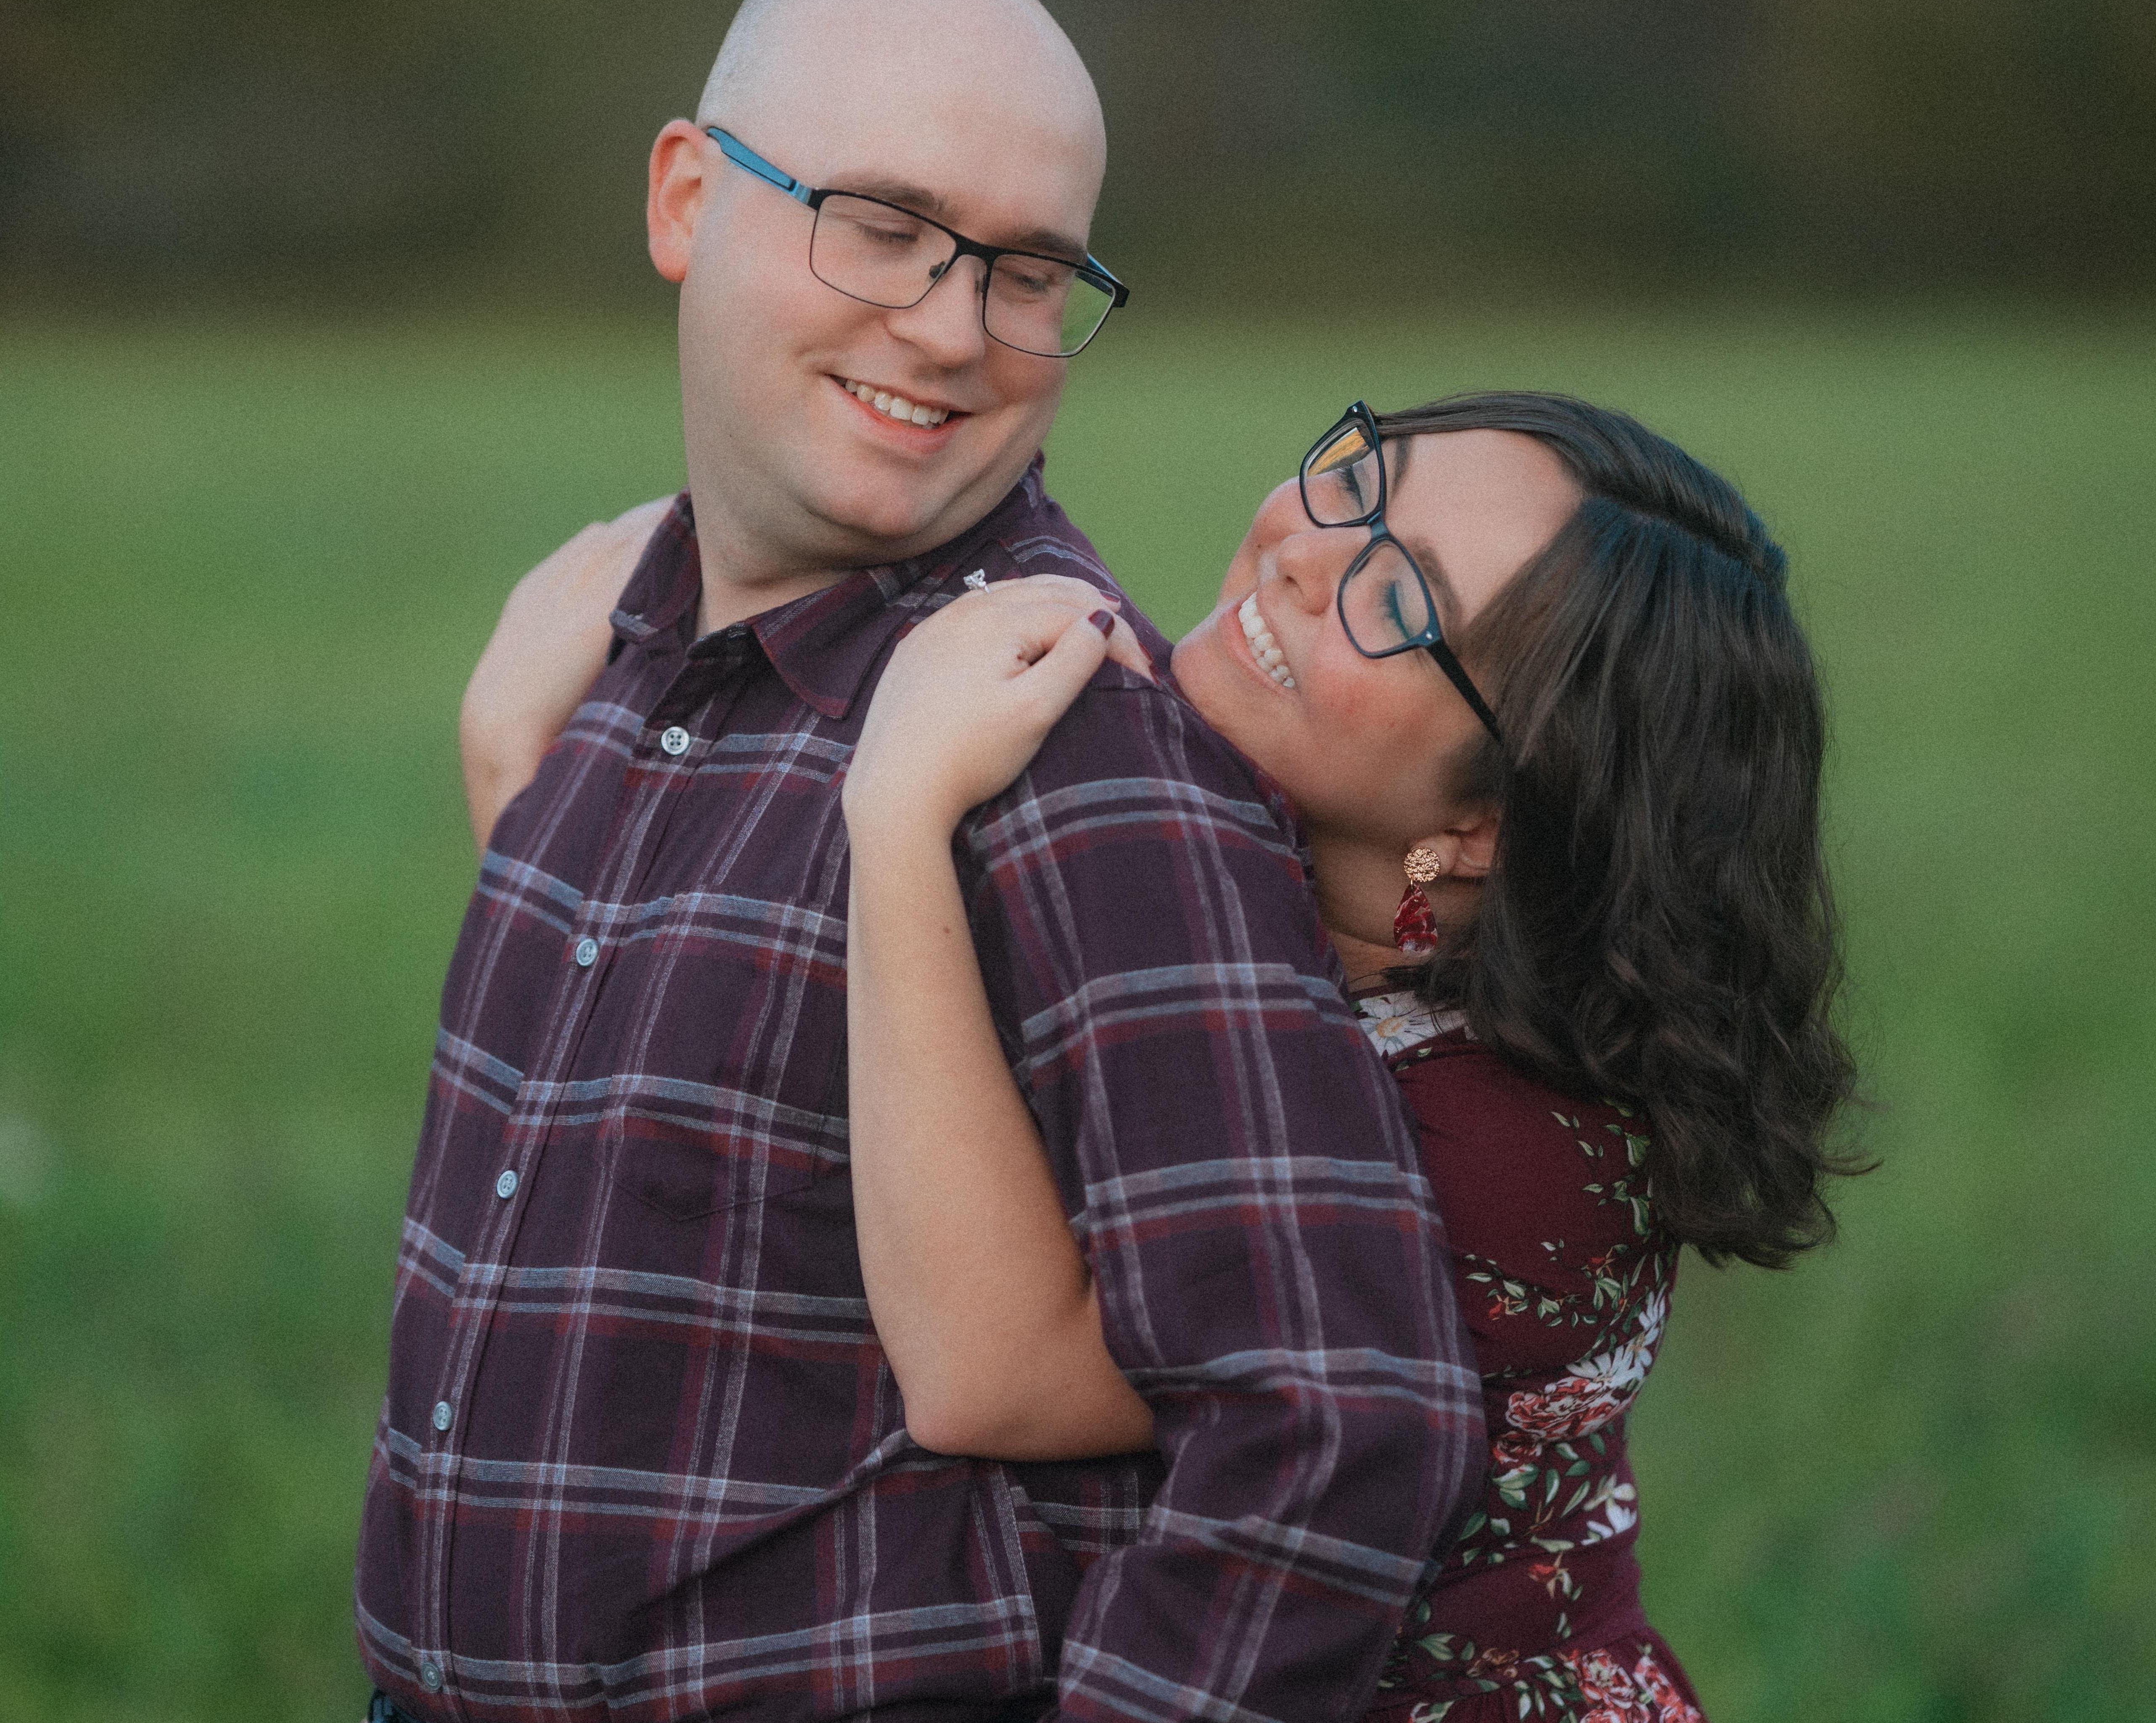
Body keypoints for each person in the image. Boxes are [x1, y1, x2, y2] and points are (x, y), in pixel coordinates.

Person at [357, 0, 1485, 1723]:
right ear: (682, 197)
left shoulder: (1059, 731)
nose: (952, 327)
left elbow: (1338, 1414)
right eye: (879, 224)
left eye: (1026, 269)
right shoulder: (613, 654)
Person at [467, 390, 1863, 1721]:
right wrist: (524, 780)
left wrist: (893, 810)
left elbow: (990, 1370)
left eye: (1405, 600)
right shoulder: (1238, 896)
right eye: (1358, 475)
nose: (1309, 550)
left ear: (1495, 820)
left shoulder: (1491, 1153)